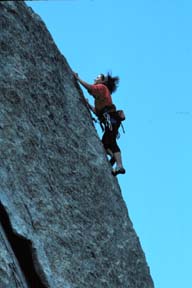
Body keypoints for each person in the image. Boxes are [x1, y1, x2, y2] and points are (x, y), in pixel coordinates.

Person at [73, 72, 125, 176]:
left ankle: (119, 165)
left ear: (102, 81)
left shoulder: (102, 88)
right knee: (105, 144)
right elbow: (97, 112)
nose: (95, 78)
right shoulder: (102, 96)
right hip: (110, 120)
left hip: (111, 120)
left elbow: (90, 88)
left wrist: (78, 79)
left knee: (111, 141)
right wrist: (87, 104)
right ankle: (114, 158)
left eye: (97, 77)